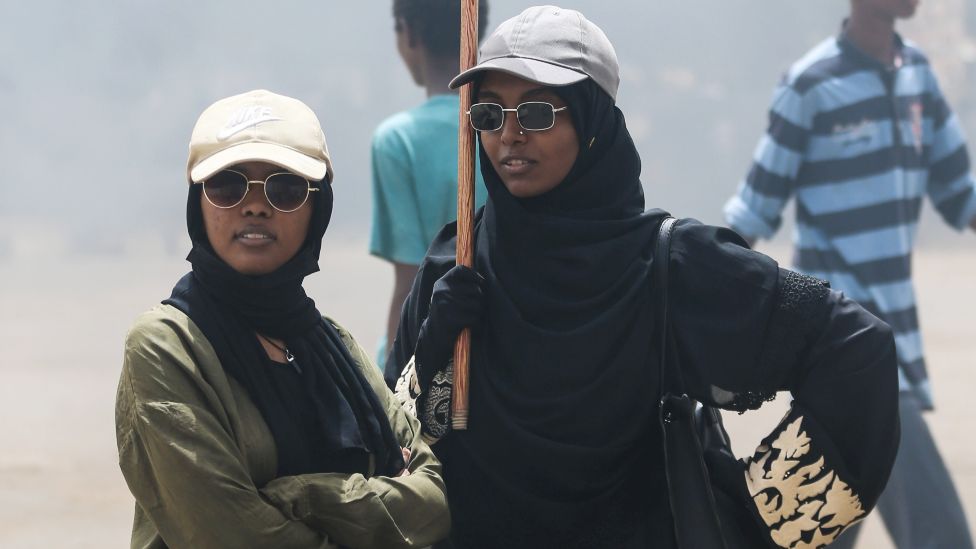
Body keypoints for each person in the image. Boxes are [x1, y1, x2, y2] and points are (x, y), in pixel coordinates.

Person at [385, 6, 901, 549]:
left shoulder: (670, 265)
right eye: (489, 115)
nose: (509, 136)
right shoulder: (455, 263)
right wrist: (433, 348)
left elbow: (854, 349)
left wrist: (763, 517)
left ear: (591, 124)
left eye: (537, 113)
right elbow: (399, 451)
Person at [115, 89, 449, 548]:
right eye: (228, 185)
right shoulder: (167, 348)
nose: (254, 205)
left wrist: (303, 495)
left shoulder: (333, 343)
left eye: (286, 188)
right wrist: (375, 507)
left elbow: (432, 500)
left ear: (318, 208)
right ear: (199, 202)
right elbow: (232, 536)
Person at [723, 0, 976, 546]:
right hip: (841, 348)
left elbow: (962, 195)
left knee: (813, 536)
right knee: (943, 537)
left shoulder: (919, 79)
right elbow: (751, 216)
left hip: (894, 346)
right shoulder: (809, 86)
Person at [371, 0, 490, 369]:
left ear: (407, 33)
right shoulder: (503, 126)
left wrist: (390, 383)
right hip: (507, 343)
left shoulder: (397, 141)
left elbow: (409, 283)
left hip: (429, 348)